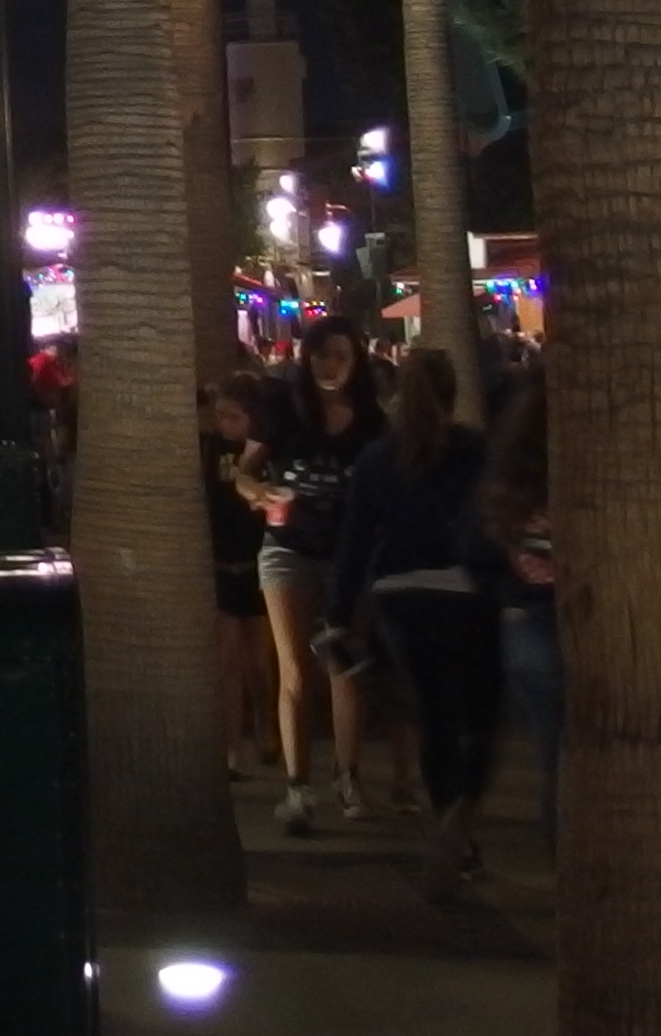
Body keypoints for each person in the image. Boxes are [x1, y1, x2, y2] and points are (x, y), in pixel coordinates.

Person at [330, 348, 498, 900]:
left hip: (402, 596)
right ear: (453, 393)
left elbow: (355, 542)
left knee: (434, 713)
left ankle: (448, 816)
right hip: (468, 592)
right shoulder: (475, 451)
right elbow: (498, 522)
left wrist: (339, 615)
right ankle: (461, 816)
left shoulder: (379, 458)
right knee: (482, 716)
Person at [237, 316, 383, 833]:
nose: (331, 366)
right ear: (308, 358)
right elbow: (244, 472)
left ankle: (348, 776)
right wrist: (260, 493)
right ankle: (297, 786)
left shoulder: (371, 421)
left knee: (343, 662)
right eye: (322, 355)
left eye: (342, 356)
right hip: (288, 547)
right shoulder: (283, 408)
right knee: (295, 667)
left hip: (347, 555)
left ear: (356, 362)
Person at [476, 369, 560, 850]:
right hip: (550, 619)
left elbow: (481, 545)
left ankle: (563, 864)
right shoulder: (585, 471)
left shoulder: (510, 477)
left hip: (527, 621)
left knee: (556, 760)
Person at [204, 374, 274, 778]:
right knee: (228, 660)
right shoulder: (211, 449)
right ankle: (232, 748)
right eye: (221, 416)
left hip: (257, 563)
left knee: (259, 662)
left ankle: (266, 726)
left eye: (234, 417)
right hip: (223, 562)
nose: (225, 424)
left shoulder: (264, 452)